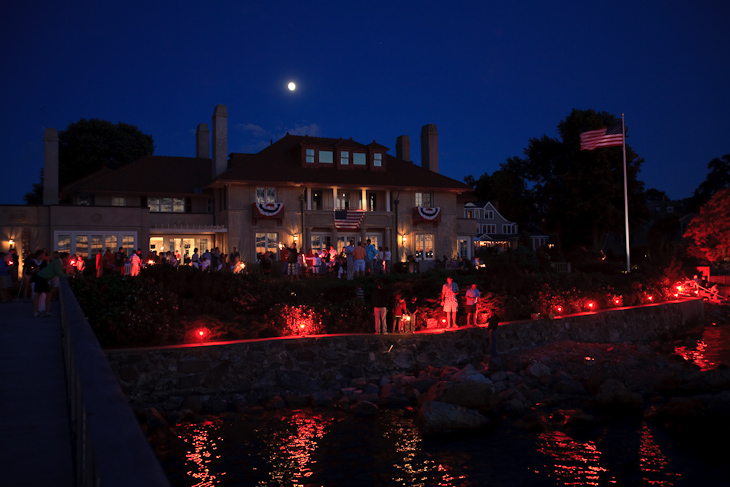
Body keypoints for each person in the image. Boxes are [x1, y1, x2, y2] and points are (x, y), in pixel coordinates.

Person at [33, 252, 71, 317]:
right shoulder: (58, 263)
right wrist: (71, 275)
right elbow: (60, 274)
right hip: (42, 277)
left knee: (40, 294)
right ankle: (43, 312)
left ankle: (37, 311)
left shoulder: (58, 262)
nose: (69, 260)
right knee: (45, 294)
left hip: (41, 277)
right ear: (64, 258)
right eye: (68, 258)